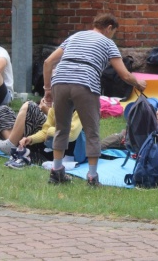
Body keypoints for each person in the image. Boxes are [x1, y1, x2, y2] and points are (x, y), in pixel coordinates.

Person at [42, 13, 146, 186]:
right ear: (109, 28)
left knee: (61, 128)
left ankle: (56, 170)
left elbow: (48, 62)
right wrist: (138, 83)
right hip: (85, 83)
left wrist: (47, 89)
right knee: (92, 131)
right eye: (113, 32)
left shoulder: (75, 36)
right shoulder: (108, 43)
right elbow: (124, 74)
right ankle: (92, 176)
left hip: (60, 81)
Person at [0, 98, 83, 163]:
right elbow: (45, 131)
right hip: (52, 141)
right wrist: (31, 139)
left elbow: (71, 134)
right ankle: (15, 146)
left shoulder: (80, 106)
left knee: (29, 105)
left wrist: (49, 130)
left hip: (73, 151)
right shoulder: (56, 105)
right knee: (2, 110)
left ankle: (11, 145)